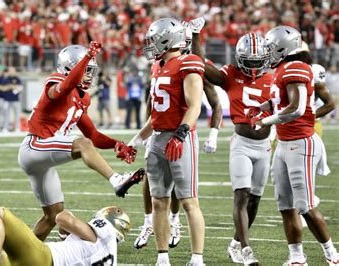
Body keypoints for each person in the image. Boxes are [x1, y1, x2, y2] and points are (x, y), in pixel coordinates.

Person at [18, 42, 143, 241]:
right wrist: (86, 57)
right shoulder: (56, 81)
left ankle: (24, 256)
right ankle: (116, 180)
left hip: (44, 157)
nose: (89, 75)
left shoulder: (82, 98)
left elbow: (93, 134)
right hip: (34, 146)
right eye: (86, 70)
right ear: (71, 68)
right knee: (82, 144)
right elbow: (65, 87)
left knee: (54, 216)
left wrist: (116, 143)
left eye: (90, 70)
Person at [129, 22, 222, 252]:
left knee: (189, 201)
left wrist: (180, 135)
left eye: (154, 40)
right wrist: (136, 140)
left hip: (180, 138)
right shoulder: (156, 66)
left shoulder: (187, 62)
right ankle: (162, 258)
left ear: (168, 40)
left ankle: (197, 258)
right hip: (158, 137)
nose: (150, 45)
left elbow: (194, 106)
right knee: (159, 201)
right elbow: (156, 114)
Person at [251, 25, 338, 265]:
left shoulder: (296, 67)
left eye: (270, 47)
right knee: (286, 206)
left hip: (301, 142)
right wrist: (263, 107)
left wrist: (265, 120)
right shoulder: (282, 69)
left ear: (282, 47)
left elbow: (298, 108)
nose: (267, 52)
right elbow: (281, 101)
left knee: (306, 206)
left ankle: (333, 256)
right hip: (285, 143)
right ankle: (297, 257)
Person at [190, 18, 273, 265]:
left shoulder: (273, 78)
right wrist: (195, 35)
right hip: (242, 145)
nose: (255, 68)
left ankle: (236, 243)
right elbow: (202, 65)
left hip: (265, 146)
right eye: (251, 62)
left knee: (255, 199)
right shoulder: (230, 75)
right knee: (242, 194)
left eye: (259, 62)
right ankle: (247, 250)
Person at [0, 204, 130, 266]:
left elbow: (62, 218)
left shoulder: (101, 235)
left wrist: (71, 217)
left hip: (42, 258)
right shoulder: (106, 254)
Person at [2, 66, 22, 132]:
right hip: (7, 99)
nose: (11, 72)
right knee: (6, 114)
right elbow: (3, 88)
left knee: (17, 114)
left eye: (12, 70)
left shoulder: (17, 79)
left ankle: (17, 128)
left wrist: (10, 86)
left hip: (15, 99)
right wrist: (12, 87)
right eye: (10, 70)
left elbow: (20, 88)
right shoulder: (6, 79)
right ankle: (5, 127)